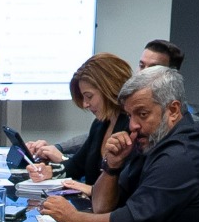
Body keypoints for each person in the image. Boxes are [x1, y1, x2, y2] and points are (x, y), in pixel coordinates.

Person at [39, 66, 199, 222]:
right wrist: (112, 167)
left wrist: (72, 217)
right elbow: (102, 207)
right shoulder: (152, 140)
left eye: (142, 114)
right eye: (129, 115)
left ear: (173, 110)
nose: (132, 125)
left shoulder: (182, 155)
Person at [21, 52, 133, 192]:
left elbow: (127, 189)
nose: (85, 104)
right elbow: (76, 165)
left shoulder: (131, 127)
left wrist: (91, 190)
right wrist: (48, 171)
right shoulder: (100, 125)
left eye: (89, 96)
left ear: (110, 89)